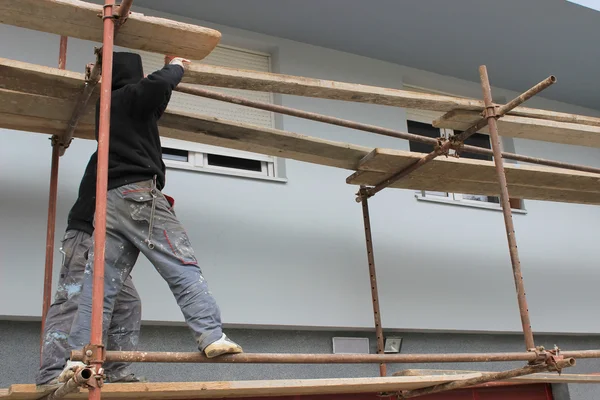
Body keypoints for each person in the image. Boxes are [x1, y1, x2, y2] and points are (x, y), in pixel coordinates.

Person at [64, 52, 242, 372]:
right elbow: (156, 86)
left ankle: (80, 356)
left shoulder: (109, 109)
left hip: (110, 203)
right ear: (133, 75)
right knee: (181, 262)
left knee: (101, 284)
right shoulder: (128, 96)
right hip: (138, 195)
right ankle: (210, 334)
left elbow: (155, 101)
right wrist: (175, 66)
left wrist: (165, 83)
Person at [36, 152, 143, 386]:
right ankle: (52, 373)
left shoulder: (137, 156)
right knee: (74, 302)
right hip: (87, 234)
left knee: (128, 304)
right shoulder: (113, 151)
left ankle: (116, 372)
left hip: (112, 243)